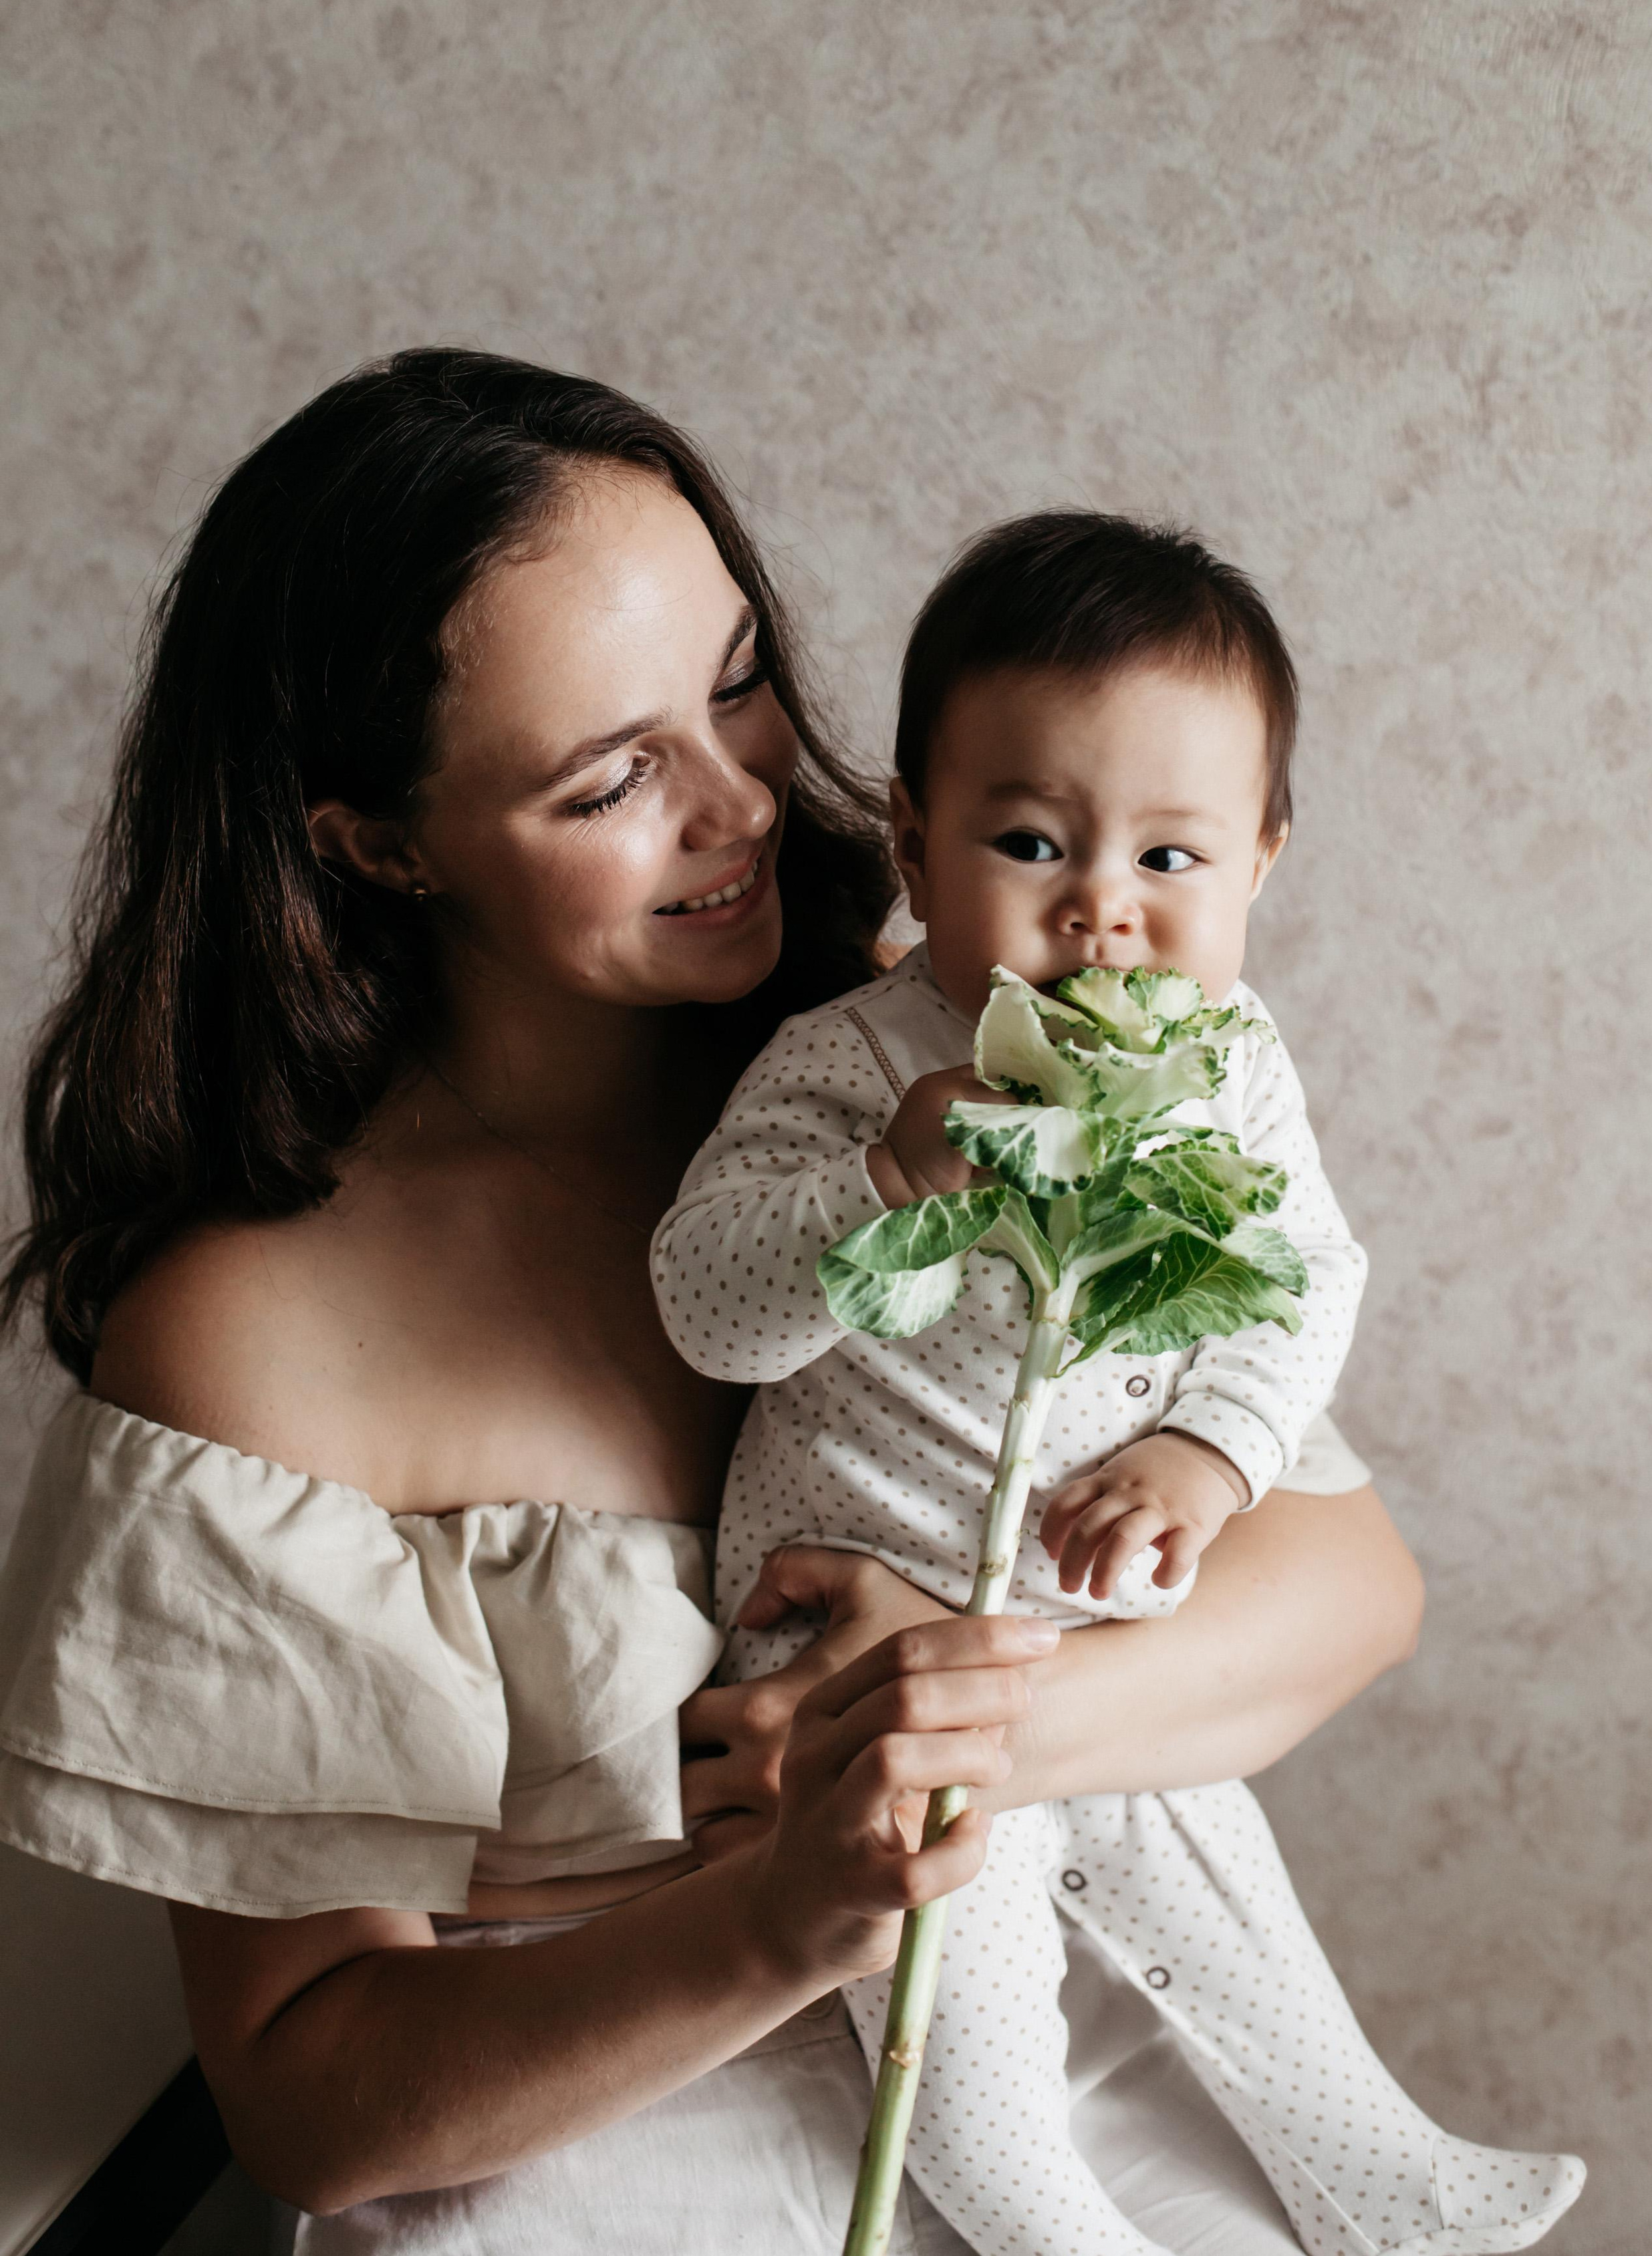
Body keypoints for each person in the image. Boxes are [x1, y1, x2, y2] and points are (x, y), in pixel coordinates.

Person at [0, 349, 1423, 2255]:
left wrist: (956, 1713)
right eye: (612, 776)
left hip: (1097, 2110)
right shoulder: (258, 1336)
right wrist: (775, 1914)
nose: (745, 799)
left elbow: (1350, 1592)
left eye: (738, 677)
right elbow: (313, 2106)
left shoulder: (932, 1054)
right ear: (374, 840)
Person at [653, 513, 1585, 2255]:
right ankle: (1030, 2210)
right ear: (919, 858)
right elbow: (707, 1309)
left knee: (1210, 1865)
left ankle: (1367, 2155)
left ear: (1262, 868)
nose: (1103, 905)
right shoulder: (854, 1068)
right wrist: (887, 1185)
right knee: (959, 1933)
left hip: (1074, 1617)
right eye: (1029, 840)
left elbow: (1301, 1286)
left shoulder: (1229, 1072)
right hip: (850, 1621)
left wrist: (1209, 1460)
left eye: (1173, 856)